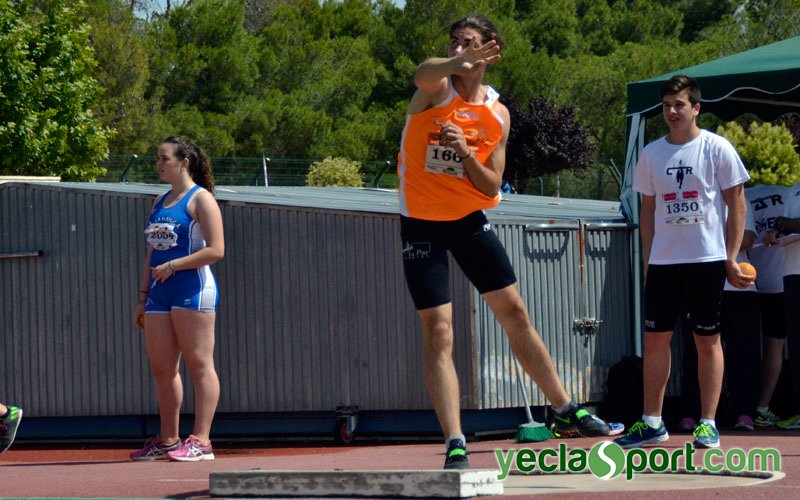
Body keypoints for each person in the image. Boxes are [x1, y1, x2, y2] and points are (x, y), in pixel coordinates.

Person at [397, 14, 611, 470]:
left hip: (467, 220)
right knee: (439, 331)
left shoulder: (497, 113)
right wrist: (453, 62)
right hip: (421, 223)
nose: (459, 50)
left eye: (469, 43)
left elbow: (491, 185)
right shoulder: (436, 90)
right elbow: (422, 73)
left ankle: (564, 408)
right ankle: (456, 440)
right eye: (454, 42)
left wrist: (464, 152)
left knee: (515, 312)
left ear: (490, 51)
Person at [615, 75, 752, 449]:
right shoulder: (651, 153)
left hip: (706, 259)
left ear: (696, 108)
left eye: (679, 105)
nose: (672, 112)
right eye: (666, 106)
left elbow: (737, 204)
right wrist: (648, 260)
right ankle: (651, 422)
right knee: (654, 341)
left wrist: (730, 257)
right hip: (664, 263)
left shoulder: (717, 148)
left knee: (707, 341)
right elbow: (648, 209)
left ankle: (708, 423)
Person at [131, 136, 224, 462]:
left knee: (199, 365)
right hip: (159, 294)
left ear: (184, 162)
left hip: (192, 289)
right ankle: (168, 440)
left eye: (164, 158)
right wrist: (143, 295)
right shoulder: (160, 201)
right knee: (162, 368)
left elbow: (216, 250)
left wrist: (174, 265)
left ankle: (202, 441)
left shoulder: (201, 199)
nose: (158, 164)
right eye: (157, 158)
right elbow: (152, 252)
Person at [746, 183, 789, 427]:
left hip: (745, 282)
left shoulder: (743, 196)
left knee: (743, 346)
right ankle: (761, 406)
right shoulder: (788, 193)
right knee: (775, 344)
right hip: (779, 282)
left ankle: (742, 404)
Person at [720, 205, 760, 431]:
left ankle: (744, 413)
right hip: (702, 286)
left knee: (743, 353)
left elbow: (746, 238)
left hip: (740, 289)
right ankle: (695, 414)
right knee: (696, 352)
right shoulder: (697, 195)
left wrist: (708, 244)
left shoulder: (737, 199)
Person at [764, 181, 800, 430]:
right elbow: (783, 224)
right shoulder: (795, 188)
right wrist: (776, 232)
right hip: (791, 273)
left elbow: (787, 222)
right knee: (796, 346)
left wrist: (785, 223)